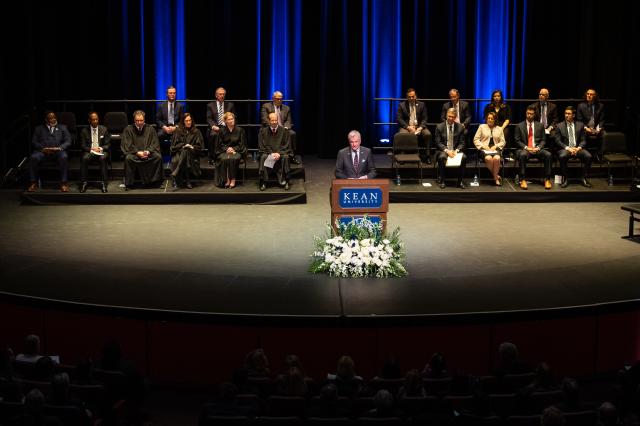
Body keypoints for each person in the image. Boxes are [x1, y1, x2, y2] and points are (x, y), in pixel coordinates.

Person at [28, 111, 72, 192]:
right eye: (50, 118)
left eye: (54, 118)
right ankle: (33, 183)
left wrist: (59, 148)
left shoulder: (63, 127)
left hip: (57, 151)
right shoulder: (39, 129)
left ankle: (63, 183)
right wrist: (42, 149)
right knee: (33, 157)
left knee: (64, 157)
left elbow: (68, 141)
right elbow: (34, 141)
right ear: (46, 120)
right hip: (42, 151)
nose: (53, 120)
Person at [121, 110, 164, 189]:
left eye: (141, 120)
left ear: (144, 120)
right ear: (134, 120)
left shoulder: (150, 129)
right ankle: (130, 184)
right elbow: (127, 145)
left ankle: (155, 182)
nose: (139, 122)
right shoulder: (128, 129)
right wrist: (137, 152)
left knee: (158, 157)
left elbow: (154, 144)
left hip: (148, 153)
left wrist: (147, 151)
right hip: (135, 154)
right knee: (128, 158)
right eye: (137, 120)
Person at [514, 106, 552, 190]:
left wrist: (538, 147)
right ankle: (523, 179)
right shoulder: (519, 126)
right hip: (525, 149)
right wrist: (527, 147)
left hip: (537, 149)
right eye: (528, 113)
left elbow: (543, 140)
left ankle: (547, 179)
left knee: (548, 155)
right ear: (525, 114)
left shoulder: (540, 125)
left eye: (531, 114)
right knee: (522, 155)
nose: (529, 115)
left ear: (534, 115)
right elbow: (517, 141)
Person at [554, 106, 592, 188]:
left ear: (573, 115)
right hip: (565, 148)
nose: (566, 115)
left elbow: (583, 140)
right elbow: (558, 141)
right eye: (565, 113)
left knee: (588, 156)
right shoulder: (559, 126)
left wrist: (578, 148)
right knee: (562, 156)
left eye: (569, 114)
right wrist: (568, 148)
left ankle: (583, 178)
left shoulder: (580, 125)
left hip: (577, 148)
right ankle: (566, 178)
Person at [261, 91, 299, 164]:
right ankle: (269, 156)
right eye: (278, 99)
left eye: (281, 99)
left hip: (283, 129)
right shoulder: (266, 106)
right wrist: (273, 126)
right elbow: (264, 120)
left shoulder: (286, 108)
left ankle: (291, 156)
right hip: (270, 128)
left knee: (292, 134)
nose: (280, 100)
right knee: (267, 133)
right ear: (273, 98)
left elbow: (288, 121)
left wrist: (285, 128)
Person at [396, 88, 432, 163]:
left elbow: (425, 118)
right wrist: (408, 127)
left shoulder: (422, 104)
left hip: (419, 126)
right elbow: (399, 119)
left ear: (416, 96)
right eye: (409, 97)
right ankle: (402, 156)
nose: (411, 98)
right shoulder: (402, 105)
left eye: (413, 96)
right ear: (407, 97)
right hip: (407, 126)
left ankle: (428, 156)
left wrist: (420, 127)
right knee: (402, 134)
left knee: (428, 134)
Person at [78, 111, 111, 193]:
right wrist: (92, 150)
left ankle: (104, 183)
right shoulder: (84, 131)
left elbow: (108, 144)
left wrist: (100, 148)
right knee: (84, 158)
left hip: (101, 150)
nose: (95, 121)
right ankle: (84, 183)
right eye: (93, 120)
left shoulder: (104, 129)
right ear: (89, 120)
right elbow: (82, 146)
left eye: (96, 119)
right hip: (90, 151)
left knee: (103, 158)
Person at [258, 112, 291, 191]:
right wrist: (272, 154)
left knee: (286, 157)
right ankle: (264, 181)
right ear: (269, 121)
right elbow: (262, 146)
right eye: (272, 120)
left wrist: (278, 153)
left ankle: (286, 180)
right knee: (263, 157)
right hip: (269, 153)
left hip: (281, 153)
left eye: (276, 120)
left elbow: (287, 145)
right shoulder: (263, 132)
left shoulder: (284, 131)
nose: (274, 122)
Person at [434, 108, 466, 189]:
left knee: (464, 157)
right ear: (446, 116)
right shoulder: (439, 127)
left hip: (455, 150)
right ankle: (442, 180)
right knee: (442, 157)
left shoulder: (460, 127)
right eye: (449, 116)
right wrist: (447, 151)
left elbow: (462, 143)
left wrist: (456, 151)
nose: (450, 118)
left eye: (452, 117)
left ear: (455, 117)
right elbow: (438, 142)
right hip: (444, 150)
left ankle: (460, 181)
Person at [170, 112, 203, 189]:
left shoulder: (196, 131)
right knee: (185, 151)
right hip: (179, 152)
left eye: (190, 120)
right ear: (183, 121)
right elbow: (174, 146)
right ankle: (188, 181)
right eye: (186, 121)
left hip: (192, 153)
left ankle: (176, 173)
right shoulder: (178, 131)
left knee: (187, 151)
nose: (189, 122)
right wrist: (183, 145)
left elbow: (200, 147)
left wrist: (191, 146)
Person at [214, 112, 246, 189]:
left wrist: (233, 149)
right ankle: (227, 179)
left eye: (232, 119)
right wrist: (227, 149)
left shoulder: (240, 130)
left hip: (237, 151)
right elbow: (219, 144)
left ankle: (233, 179)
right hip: (224, 151)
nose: (231, 120)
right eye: (229, 119)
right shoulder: (221, 131)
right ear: (225, 121)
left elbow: (242, 144)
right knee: (224, 159)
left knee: (233, 158)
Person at [473, 111, 506, 186]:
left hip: (495, 149)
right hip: (484, 149)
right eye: (488, 118)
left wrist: (496, 146)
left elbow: (503, 142)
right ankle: (496, 177)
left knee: (497, 158)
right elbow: (475, 139)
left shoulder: (499, 129)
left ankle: (495, 176)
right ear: (486, 119)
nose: (490, 120)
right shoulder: (482, 127)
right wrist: (483, 146)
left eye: (492, 118)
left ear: (495, 120)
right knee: (488, 158)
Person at [206, 87, 236, 163]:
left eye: (223, 94)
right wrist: (213, 126)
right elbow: (209, 118)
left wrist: (229, 125)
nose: (222, 96)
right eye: (220, 94)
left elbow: (234, 117)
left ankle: (227, 155)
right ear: (216, 95)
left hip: (227, 126)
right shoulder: (210, 105)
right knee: (213, 135)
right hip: (216, 126)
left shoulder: (230, 105)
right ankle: (213, 157)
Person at [156, 85, 184, 162]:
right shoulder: (161, 106)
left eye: (174, 93)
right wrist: (164, 127)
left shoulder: (180, 106)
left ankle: (177, 156)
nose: (172, 94)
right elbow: (158, 120)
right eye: (170, 93)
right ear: (167, 94)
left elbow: (182, 121)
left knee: (180, 135)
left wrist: (175, 127)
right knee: (158, 135)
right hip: (165, 128)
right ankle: (159, 156)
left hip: (175, 128)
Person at [577, 88, 605, 158]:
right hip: (586, 127)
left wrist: (598, 129)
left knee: (604, 134)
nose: (589, 95)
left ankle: (599, 154)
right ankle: (584, 154)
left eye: (591, 94)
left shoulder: (600, 106)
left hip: (596, 127)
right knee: (581, 133)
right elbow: (579, 120)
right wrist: (586, 128)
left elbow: (602, 120)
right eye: (588, 94)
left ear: (595, 96)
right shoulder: (581, 106)